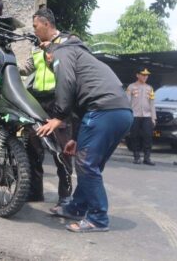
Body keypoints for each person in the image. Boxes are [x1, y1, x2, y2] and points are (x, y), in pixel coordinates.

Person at [36, 22, 132, 233]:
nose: (51, 67)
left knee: (87, 164)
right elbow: (81, 107)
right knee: (90, 163)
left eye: (49, 63)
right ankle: (77, 207)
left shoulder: (62, 53)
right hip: (120, 112)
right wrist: (75, 139)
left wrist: (57, 117)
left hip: (104, 110)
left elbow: (66, 84)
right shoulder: (84, 58)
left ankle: (98, 218)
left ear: (50, 57)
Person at [18, 8, 74, 211]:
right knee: (33, 148)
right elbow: (27, 68)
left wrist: (51, 53)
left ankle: (65, 198)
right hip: (37, 101)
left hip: (58, 101)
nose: (34, 30)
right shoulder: (36, 46)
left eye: (35, 26)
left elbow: (68, 72)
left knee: (62, 151)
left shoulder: (67, 43)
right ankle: (35, 191)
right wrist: (7, 65)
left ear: (46, 24)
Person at [126, 67, 157, 165]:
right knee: (135, 136)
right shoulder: (131, 87)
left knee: (148, 137)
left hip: (147, 116)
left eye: (146, 75)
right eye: (143, 75)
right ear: (137, 75)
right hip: (134, 115)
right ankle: (136, 157)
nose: (145, 77)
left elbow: (152, 103)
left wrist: (153, 118)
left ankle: (147, 158)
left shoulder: (150, 88)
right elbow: (127, 102)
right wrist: (127, 116)